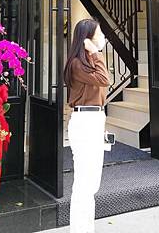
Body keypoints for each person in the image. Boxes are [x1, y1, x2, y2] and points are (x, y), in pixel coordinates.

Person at [64, 18, 110, 233]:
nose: (102, 37)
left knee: (91, 183)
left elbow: (101, 87)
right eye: (99, 33)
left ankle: (86, 228)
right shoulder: (77, 64)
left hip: (94, 120)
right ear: (87, 39)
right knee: (84, 183)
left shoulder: (89, 62)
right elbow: (104, 79)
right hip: (84, 123)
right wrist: (96, 53)